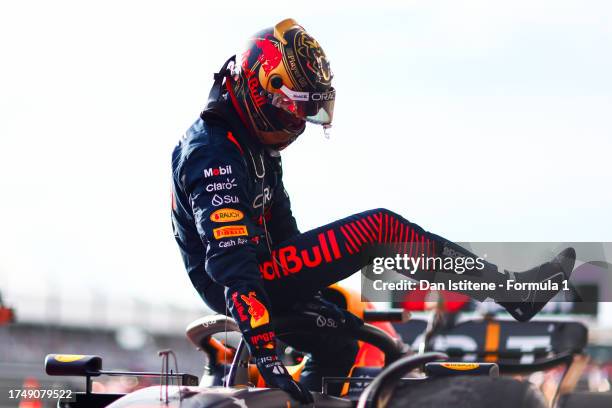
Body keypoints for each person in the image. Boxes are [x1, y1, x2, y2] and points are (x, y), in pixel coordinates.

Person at [171, 18, 576, 404]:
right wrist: (264, 350)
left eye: (306, 112)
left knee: (340, 339)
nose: (297, 124)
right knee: (377, 229)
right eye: (292, 110)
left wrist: (307, 297)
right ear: (262, 90)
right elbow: (230, 264)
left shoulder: (254, 143)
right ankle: (513, 291)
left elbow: (285, 233)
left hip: (262, 271)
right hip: (238, 278)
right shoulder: (213, 153)